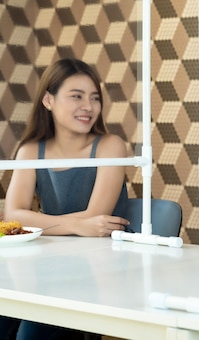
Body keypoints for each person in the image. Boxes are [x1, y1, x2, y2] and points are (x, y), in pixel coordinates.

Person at [1, 58, 130, 338]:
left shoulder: (110, 146)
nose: (89, 106)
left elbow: (97, 222)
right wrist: (76, 225)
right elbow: (13, 217)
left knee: (30, 334)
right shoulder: (31, 150)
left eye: (94, 98)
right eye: (76, 96)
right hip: (49, 265)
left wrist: (38, 222)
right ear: (48, 100)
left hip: (100, 270)